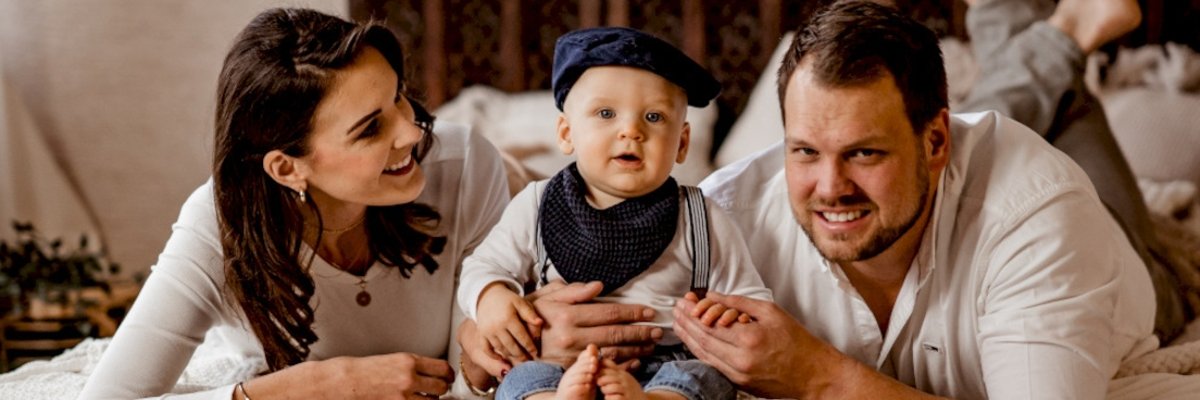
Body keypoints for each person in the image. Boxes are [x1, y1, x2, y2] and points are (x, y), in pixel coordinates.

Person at [669, 0, 1172, 398]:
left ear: (937, 144)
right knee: (969, 127)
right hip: (951, 157)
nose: (828, 187)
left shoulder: (1040, 212)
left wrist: (816, 377)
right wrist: (591, 327)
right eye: (804, 151)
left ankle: (1055, 31)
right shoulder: (722, 217)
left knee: (1037, 128)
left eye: (863, 153)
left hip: (1136, 257)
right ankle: (1027, 22)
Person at [79, 8, 512, 399]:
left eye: (398, 96)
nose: (413, 133)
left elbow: (468, 375)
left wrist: (477, 373)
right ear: (287, 169)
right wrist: (307, 386)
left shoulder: (467, 166)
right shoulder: (219, 225)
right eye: (369, 129)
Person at [456, 27, 772, 400]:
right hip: (559, 366)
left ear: (682, 143)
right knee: (522, 380)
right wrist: (491, 296)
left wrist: (733, 318)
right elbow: (483, 266)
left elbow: (750, 298)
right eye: (606, 113)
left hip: (668, 362)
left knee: (704, 377)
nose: (631, 131)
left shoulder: (702, 216)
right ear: (566, 133)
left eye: (654, 117)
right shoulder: (536, 202)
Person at [959, 0, 1192, 342]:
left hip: (1115, 284)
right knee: (1063, 102)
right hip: (1142, 287)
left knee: (923, 159)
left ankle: (1056, 33)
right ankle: (1061, 33)